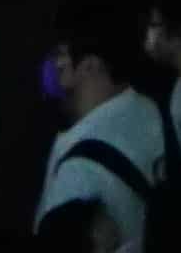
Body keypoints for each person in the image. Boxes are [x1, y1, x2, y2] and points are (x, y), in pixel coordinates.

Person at [33, 21, 170, 253]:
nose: (53, 65)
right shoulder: (148, 109)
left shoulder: (78, 170)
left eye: (61, 54)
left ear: (90, 66)